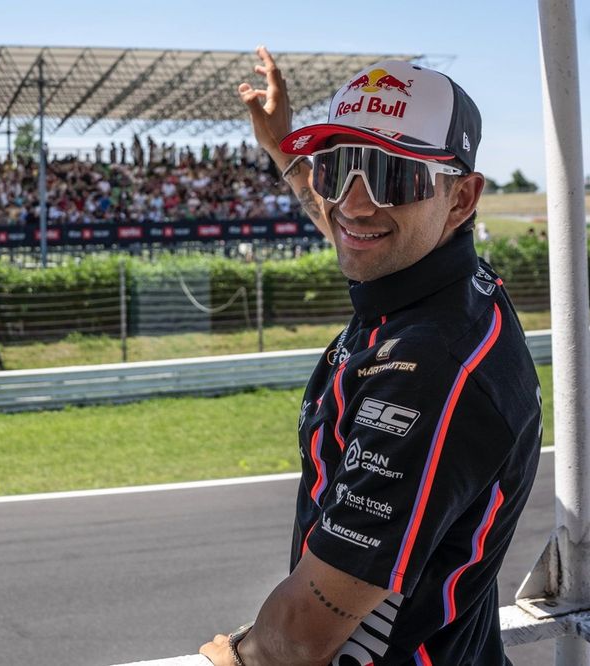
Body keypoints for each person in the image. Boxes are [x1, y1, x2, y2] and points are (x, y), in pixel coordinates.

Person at [200, 47, 542, 665]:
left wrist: (232, 656)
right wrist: (286, 152)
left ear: (462, 199)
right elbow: (357, 225)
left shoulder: (426, 371)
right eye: (338, 168)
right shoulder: (448, 285)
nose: (354, 203)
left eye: (394, 175)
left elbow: (300, 636)